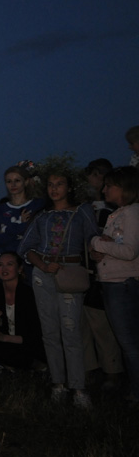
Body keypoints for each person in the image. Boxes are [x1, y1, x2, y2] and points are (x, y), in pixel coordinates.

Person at [19, 169, 99, 409]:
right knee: (50, 333)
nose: (54, 188)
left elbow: (93, 239)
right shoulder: (42, 216)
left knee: (71, 332)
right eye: (51, 184)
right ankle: (57, 385)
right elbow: (25, 247)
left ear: (70, 188)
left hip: (70, 274)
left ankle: (78, 388)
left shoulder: (82, 211)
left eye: (60, 184)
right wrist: (43, 265)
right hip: (43, 276)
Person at [90, 166, 139, 404]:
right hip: (112, 283)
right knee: (126, 342)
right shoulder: (116, 214)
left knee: (129, 342)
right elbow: (113, 247)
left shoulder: (132, 214)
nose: (104, 188)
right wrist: (100, 251)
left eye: (110, 185)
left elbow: (129, 251)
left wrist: (97, 243)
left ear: (125, 188)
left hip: (123, 284)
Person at [0, 252, 44, 372]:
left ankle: (30, 363)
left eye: (9, 264)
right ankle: (6, 363)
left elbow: (34, 332)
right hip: (6, 343)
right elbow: (0, 325)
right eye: (0, 265)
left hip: (25, 343)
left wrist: (4, 338)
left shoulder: (29, 295)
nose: (4, 269)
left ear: (19, 269)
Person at [0, 165, 44, 283]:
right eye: (9, 181)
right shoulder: (0, 209)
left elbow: (38, 237)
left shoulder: (37, 205)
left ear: (26, 182)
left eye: (17, 180)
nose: (13, 185)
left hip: (29, 262)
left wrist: (8, 232)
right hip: (5, 262)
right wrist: (20, 227)